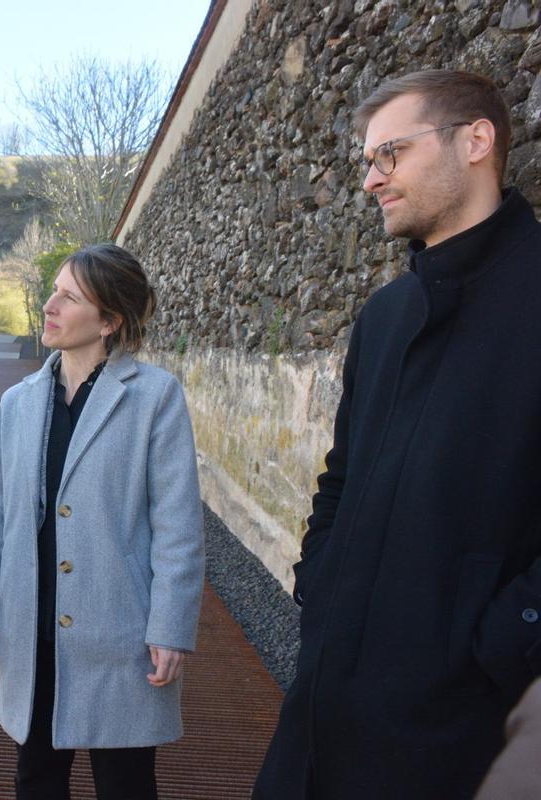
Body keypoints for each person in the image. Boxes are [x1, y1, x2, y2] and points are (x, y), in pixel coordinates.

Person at [254, 70, 541, 800]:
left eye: (391, 154)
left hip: (461, 730)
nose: (371, 180)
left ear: (476, 141)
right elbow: (342, 474)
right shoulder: (385, 315)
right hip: (323, 707)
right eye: (367, 161)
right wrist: (317, 585)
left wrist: (499, 647)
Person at [0, 243, 204, 800]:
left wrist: (171, 626)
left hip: (119, 626)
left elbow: (177, 526)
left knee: (125, 785)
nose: (49, 304)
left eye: (68, 297)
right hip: (33, 624)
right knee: (37, 778)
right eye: (54, 290)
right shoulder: (17, 403)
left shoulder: (154, 398)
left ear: (109, 321)